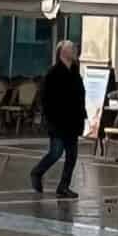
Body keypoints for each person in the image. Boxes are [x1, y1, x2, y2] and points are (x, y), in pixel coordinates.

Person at [31, 39, 86, 198]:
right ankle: (37, 172)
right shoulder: (53, 73)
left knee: (72, 155)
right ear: (63, 52)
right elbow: (45, 98)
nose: (75, 51)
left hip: (73, 121)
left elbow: (80, 95)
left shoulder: (75, 72)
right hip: (58, 122)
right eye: (71, 48)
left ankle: (63, 186)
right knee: (56, 152)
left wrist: (82, 114)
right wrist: (50, 117)